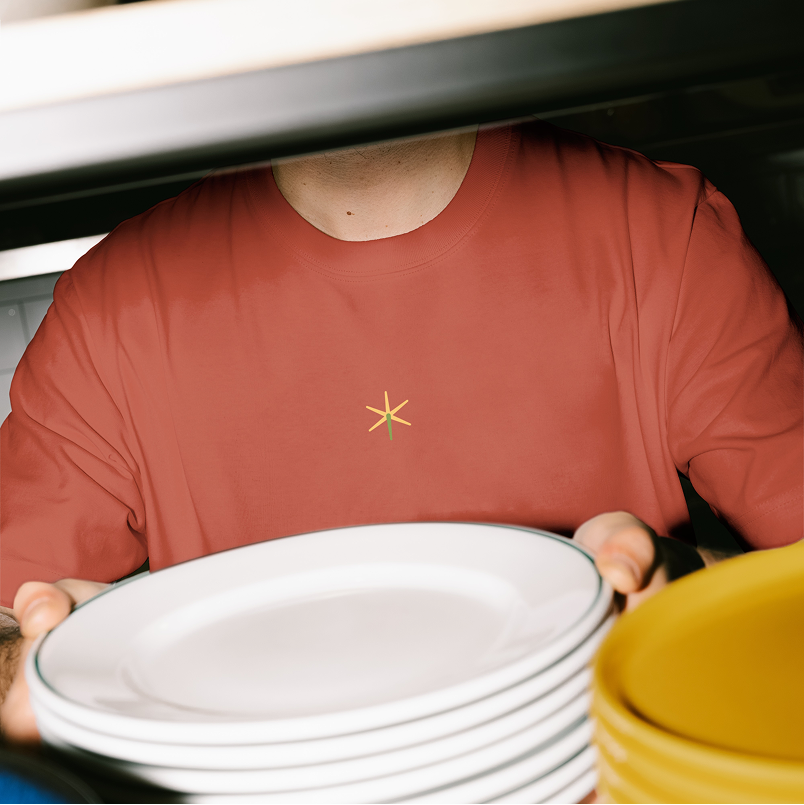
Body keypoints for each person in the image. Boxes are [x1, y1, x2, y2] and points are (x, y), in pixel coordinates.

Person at [0, 120, 801, 743]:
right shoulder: (113, 309)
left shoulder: (657, 227)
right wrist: (59, 662)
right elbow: (8, 627)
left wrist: (688, 598)